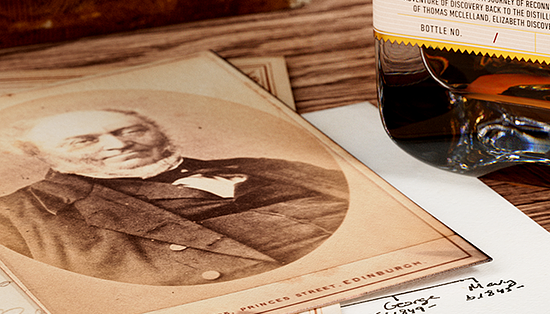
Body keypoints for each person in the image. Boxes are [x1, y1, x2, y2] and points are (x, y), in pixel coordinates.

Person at [0, 108, 349, 285]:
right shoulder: (17, 214)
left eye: (132, 130)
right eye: (83, 141)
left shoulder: (267, 165)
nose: (118, 144)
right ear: (40, 154)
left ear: (159, 133)